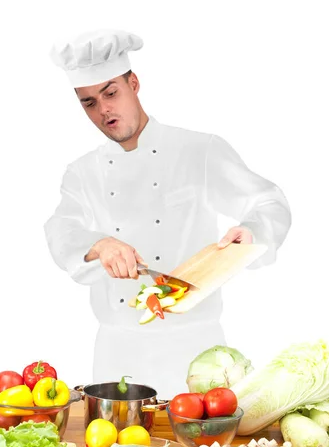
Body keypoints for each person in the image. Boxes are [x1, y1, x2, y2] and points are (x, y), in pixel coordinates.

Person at [44, 29, 291, 397]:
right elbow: (61, 230)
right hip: (117, 356)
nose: (104, 110)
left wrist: (251, 232)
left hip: (197, 355)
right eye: (88, 102)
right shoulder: (82, 173)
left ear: (134, 83)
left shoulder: (199, 150)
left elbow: (269, 202)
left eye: (111, 92)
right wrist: (100, 244)